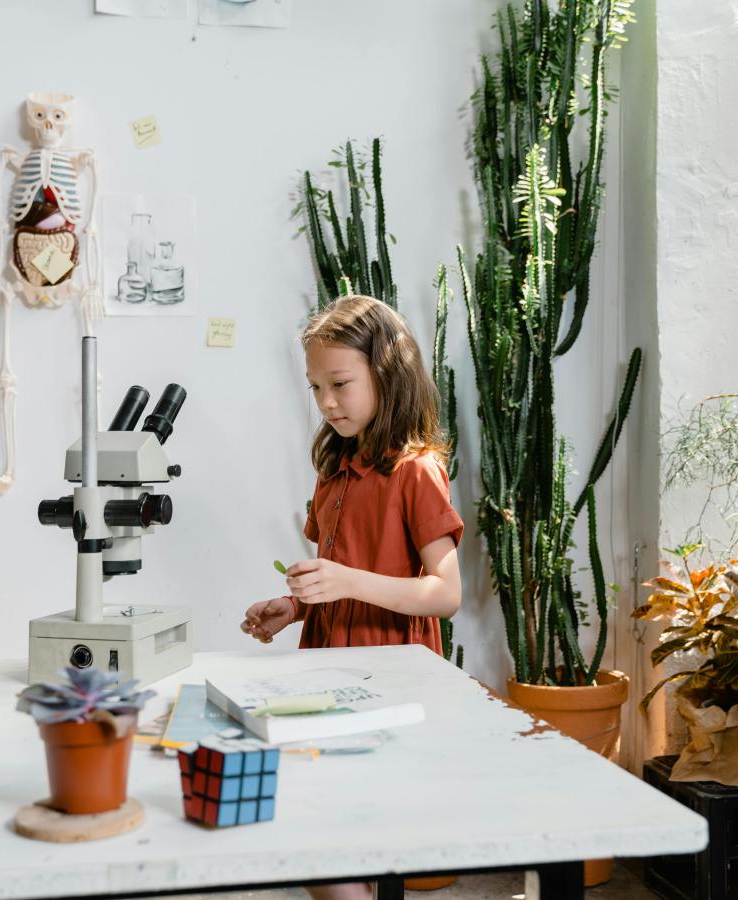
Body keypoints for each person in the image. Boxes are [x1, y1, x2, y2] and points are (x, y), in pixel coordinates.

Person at [240, 294, 464, 900]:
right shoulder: (334, 468)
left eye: (340, 383)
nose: (327, 402)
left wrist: (346, 582)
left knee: (347, 840)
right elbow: (337, 576)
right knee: (322, 835)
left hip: (390, 681)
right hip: (326, 672)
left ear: (386, 374)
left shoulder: (417, 472)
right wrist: (296, 607)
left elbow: (446, 594)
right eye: (316, 388)